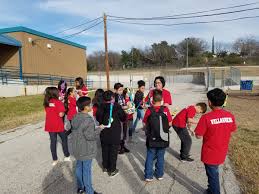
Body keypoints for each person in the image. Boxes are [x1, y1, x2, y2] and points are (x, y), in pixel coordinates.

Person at [194, 88, 236, 194]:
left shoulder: (206, 118)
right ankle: (211, 189)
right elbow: (232, 129)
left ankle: (214, 191)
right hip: (222, 151)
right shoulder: (230, 116)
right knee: (213, 173)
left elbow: (198, 136)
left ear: (209, 102)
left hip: (210, 153)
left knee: (213, 175)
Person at [71, 96, 101, 194]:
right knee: (86, 170)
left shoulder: (75, 117)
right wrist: (99, 129)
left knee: (79, 166)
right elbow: (90, 136)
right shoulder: (88, 120)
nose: (91, 106)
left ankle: (81, 187)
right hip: (86, 149)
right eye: (90, 104)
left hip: (77, 148)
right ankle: (89, 191)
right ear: (85, 107)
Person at [143, 89, 172, 182]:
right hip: (163, 138)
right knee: (160, 156)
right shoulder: (165, 109)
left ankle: (148, 176)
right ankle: (159, 174)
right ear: (162, 100)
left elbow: (144, 124)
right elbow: (170, 123)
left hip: (152, 137)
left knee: (150, 156)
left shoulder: (149, 110)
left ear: (152, 101)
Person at [96, 90, 127, 177]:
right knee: (113, 151)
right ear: (112, 98)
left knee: (105, 149)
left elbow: (98, 118)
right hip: (114, 133)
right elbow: (123, 118)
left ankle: (105, 166)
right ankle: (112, 169)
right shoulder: (116, 106)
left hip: (104, 132)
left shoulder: (101, 106)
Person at [43, 87, 71, 166]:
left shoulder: (46, 102)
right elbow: (61, 114)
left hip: (49, 125)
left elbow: (49, 110)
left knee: (53, 142)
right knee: (64, 139)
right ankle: (67, 156)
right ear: (55, 93)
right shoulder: (58, 102)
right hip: (58, 124)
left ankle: (55, 159)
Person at [114, 83, 130, 154]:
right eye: (119, 90)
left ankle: (124, 146)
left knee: (125, 131)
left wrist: (128, 105)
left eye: (122, 90)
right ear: (115, 90)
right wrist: (124, 107)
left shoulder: (122, 95)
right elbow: (116, 106)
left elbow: (124, 103)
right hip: (118, 117)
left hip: (124, 115)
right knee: (120, 132)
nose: (121, 91)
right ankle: (119, 147)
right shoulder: (115, 97)